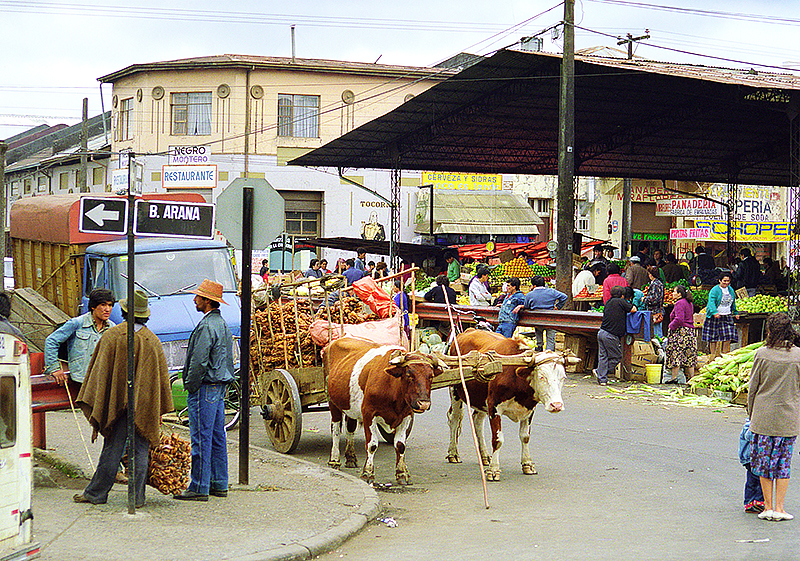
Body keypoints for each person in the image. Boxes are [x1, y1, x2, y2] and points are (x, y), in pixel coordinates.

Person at [72, 290, 173, 507]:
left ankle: (96, 494)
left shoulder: (112, 336)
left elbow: (98, 374)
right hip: (143, 404)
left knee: (112, 448)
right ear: (144, 314)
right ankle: (136, 498)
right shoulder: (152, 341)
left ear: (125, 311)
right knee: (141, 449)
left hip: (115, 404)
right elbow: (159, 381)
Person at [174, 280, 235, 501]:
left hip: (205, 387)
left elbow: (199, 361)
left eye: (198, 297)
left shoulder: (207, 326)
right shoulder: (221, 324)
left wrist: (190, 384)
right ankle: (219, 482)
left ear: (207, 301)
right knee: (217, 436)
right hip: (218, 387)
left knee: (201, 437)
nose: (194, 300)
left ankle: (199, 486)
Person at [747, 312, 800, 521]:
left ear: (769, 331)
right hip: (788, 417)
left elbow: (753, 388)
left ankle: (767, 507)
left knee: (764, 463)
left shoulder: (762, 354)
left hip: (763, 416)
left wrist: (751, 413)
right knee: (783, 464)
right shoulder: (798, 355)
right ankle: (779, 508)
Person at [44, 288, 115, 385]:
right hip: (80, 380)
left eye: (110, 305)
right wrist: (54, 368)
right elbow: (51, 341)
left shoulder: (112, 328)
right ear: (93, 306)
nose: (107, 309)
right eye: (103, 305)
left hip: (102, 382)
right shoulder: (77, 323)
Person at [595, 285, 635, 386]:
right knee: (617, 356)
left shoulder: (608, 302)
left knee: (603, 356)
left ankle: (602, 379)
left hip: (601, 332)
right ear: (622, 295)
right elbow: (633, 309)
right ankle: (600, 372)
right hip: (611, 335)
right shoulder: (621, 302)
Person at [664, 285, 697, 384]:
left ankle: (674, 377)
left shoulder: (679, 303)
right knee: (689, 355)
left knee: (676, 353)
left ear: (679, 294)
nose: (673, 293)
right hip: (690, 331)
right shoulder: (689, 303)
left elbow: (679, 319)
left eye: (674, 291)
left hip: (680, 332)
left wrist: (671, 326)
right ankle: (692, 379)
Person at [702, 271, 739, 359]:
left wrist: (735, 312)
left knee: (728, 336)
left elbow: (733, 302)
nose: (726, 283)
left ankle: (725, 355)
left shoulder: (730, 290)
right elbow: (711, 302)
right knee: (713, 338)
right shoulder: (715, 290)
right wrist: (714, 312)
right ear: (719, 280)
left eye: (728, 281)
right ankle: (713, 356)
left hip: (727, 315)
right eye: (724, 281)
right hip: (715, 316)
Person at [524, 276, 567, 351]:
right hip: (550, 319)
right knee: (550, 339)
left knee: (538, 331)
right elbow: (564, 297)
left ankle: (539, 346)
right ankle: (549, 352)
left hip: (536, 320)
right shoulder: (552, 291)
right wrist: (558, 307)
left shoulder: (529, 295)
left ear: (533, 285)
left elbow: (526, 306)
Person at [740, 419, 765, 514]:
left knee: (752, 480)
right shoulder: (750, 424)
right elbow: (748, 436)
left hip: (751, 457)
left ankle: (750, 502)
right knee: (759, 480)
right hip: (751, 458)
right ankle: (757, 501)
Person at [642, 265, 665, 338]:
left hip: (655, 311)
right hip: (658, 310)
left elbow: (653, 299)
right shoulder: (660, 283)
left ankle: (658, 348)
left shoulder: (655, 284)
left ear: (651, 275)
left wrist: (644, 300)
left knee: (656, 333)